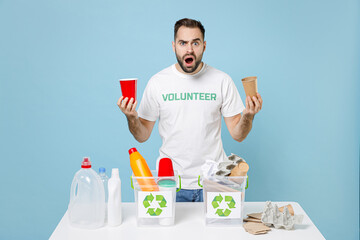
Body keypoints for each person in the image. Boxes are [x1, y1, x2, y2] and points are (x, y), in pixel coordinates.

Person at [117, 18, 263, 202]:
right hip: (170, 183)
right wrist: (131, 117)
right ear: (173, 46)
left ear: (204, 46)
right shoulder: (158, 82)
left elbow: (238, 134)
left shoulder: (221, 80)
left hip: (214, 183)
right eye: (183, 43)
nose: (189, 49)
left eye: (195, 43)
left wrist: (248, 116)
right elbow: (142, 135)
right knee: (169, 231)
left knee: (218, 231)